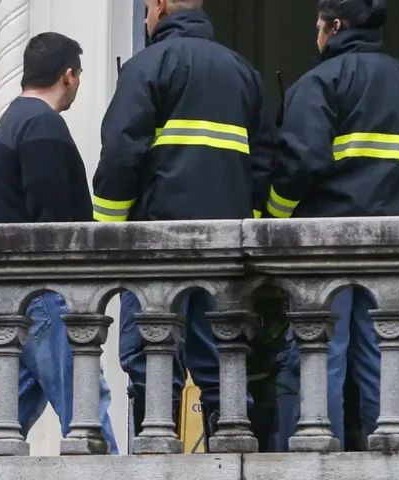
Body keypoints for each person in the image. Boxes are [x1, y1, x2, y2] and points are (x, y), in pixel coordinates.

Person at [264, 0, 399, 449]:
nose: (315, 37)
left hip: (322, 243)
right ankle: (387, 459)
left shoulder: (318, 83)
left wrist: (274, 223)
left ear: (334, 26)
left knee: (321, 358)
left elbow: (298, 165)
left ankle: (318, 458)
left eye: (318, 27)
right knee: (383, 358)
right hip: (391, 246)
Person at [92, 0, 274, 446]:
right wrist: (252, 223)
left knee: (152, 361)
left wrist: (110, 230)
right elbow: (266, 162)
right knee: (222, 360)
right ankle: (230, 463)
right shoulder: (242, 72)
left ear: (158, 6)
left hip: (156, 247)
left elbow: (120, 156)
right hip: (224, 250)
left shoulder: (146, 67)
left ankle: (156, 462)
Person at [0, 32, 118, 454]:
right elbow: (57, 222)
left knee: (7, 414)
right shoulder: (42, 125)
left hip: (12, 290)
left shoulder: (14, 119)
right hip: (43, 291)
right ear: (69, 75)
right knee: (86, 404)